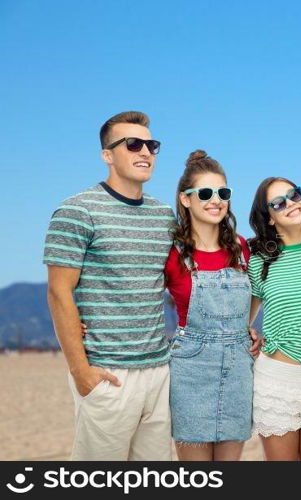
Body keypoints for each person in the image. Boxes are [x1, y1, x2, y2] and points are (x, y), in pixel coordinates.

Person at [44, 111, 175, 460]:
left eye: (151, 145)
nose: (145, 151)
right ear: (107, 155)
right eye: (133, 144)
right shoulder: (76, 210)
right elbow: (59, 292)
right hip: (107, 372)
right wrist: (80, 371)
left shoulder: (164, 216)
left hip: (159, 371)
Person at [164, 150, 258, 460]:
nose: (216, 200)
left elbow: (259, 292)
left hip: (238, 368)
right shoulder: (172, 252)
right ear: (186, 199)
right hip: (190, 368)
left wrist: (248, 327)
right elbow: (137, 295)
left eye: (223, 192)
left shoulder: (242, 248)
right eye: (205, 193)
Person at [247, 177, 301, 460]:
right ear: (270, 218)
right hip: (275, 381)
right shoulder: (259, 261)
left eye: (294, 195)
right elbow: (243, 321)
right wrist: (248, 333)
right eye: (278, 203)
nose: (291, 204)